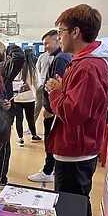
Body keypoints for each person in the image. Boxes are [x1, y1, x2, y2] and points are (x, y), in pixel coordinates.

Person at [44, 4, 108, 216]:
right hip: (75, 149)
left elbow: (73, 114)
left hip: (74, 152)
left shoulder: (88, 66)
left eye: (61, 31)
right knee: (76, 211)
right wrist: (64, 91)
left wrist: (55, 93)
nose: (59, 36)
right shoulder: (84, 63)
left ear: (76, 31)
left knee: (71, 215)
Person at [28, 30, 72, 183]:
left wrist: (49, 108)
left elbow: (55, 87)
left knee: (50, 140)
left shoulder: (61, 59)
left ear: (57, 40)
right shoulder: (60, 57)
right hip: (53, 107)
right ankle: (50, 169)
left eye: (47, 43)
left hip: (53, 110)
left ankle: (48, 170)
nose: (45, 46)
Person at [0, 39, 22, 189]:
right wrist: (11, 48)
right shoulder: (2, 67)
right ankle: (0, 179)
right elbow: (19, 57)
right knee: (3, 146)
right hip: (2, 113)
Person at [15, 47, 42, 146]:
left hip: (17, 98)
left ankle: (20, 139)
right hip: (30, 98)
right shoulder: (33, 69)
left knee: (19, 119)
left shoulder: (17, 68)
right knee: (30, 118)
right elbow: (38, 84)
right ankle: (34, 135)